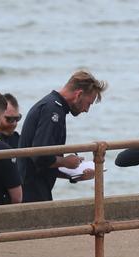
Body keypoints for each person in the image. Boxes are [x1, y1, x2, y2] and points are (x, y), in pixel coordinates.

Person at [17, 70, 108, 202]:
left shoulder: (52, 106)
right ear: (79, 94)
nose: (86, 110)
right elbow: (40, 156)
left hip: (35, 185)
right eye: (88, 103)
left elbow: (42, 161)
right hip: (31, 190)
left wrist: (75, 175)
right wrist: (66, 162)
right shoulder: (52, 110)